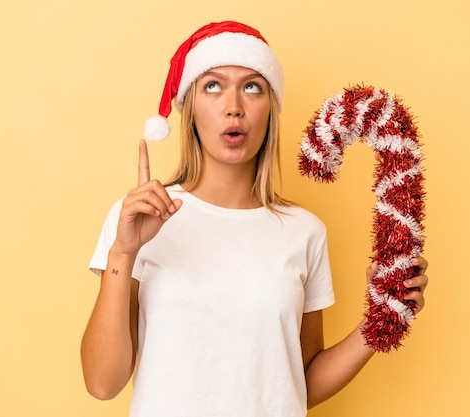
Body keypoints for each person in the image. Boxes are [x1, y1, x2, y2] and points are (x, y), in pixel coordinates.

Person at [81, 21, 428, 417]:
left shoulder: (304, 232)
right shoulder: (140, 217)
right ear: (190, 108)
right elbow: (102, 383)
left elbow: (300, 381)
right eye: (213, 85)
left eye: (252, 87)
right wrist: (123, 253)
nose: (234, 106)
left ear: (270, 109)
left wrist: (381, 318)